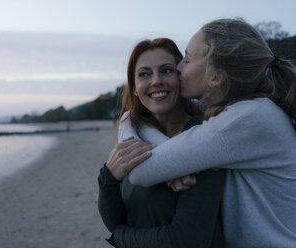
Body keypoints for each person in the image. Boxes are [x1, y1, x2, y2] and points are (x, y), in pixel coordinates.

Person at [118, 19, 296, 247]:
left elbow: (139, 170)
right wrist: (129, 121)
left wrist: (127, 127)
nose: (179, 67)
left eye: (188, 59)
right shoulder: (250, 110)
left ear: (216, 77)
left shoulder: (243, 120)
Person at [98, 38, 225, 248]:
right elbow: (116, 221)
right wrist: (108, 178)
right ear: (136, 88)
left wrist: (121, 238)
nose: (156, 81)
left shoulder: (202, 138)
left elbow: (188, 240)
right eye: (144, 74)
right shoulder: (134, 135)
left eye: (166, 70)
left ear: (180, 77)